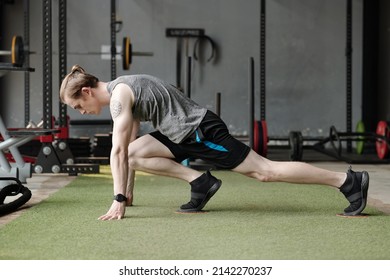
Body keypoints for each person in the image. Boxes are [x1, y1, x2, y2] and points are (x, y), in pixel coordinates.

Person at [60, 65, 370, 221]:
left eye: (77, 106)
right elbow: (127, 147)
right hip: (180, 133)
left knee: (265, 171)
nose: (81, 113)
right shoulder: (125, 86)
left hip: (200, 132)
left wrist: (116, 198)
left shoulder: (118, 97)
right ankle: (200, 183)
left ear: (86, 92)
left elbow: (115, 151)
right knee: (135, 153)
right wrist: (127, 194)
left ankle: (347, 181)